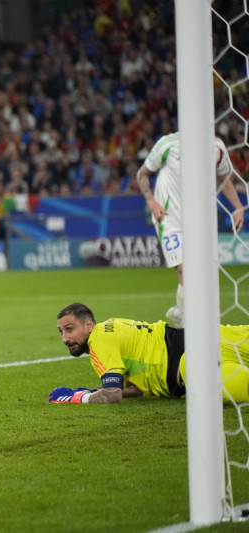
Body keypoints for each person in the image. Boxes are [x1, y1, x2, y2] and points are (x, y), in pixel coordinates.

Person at [136, 133, 245, 327]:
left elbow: (223, 178)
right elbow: (142, 173)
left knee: (201, 271)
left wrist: (238, 206)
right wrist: (151, 202)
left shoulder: (217, 148)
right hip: (168, 218)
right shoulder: (168, 144)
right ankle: (191, 322)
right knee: (183, 267)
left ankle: (181, 310)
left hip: (200, 219)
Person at [51, 302, 249, 404]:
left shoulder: (98, 341)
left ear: (88, 324)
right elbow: (135, 390)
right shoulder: (112, 327)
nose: (65, 339)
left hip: (190, 363)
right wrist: (93, 391)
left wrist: (76, 397)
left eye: (70, 329)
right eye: (61, 332)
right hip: (215, 335)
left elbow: (113, 396)